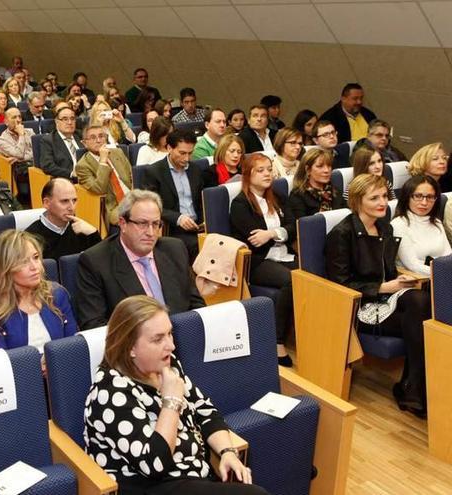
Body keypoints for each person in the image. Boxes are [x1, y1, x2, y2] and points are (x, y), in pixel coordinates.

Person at [84, 295, 267, 495]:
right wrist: (171, 401)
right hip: (151, 486)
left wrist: (227, 452)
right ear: (130, 348)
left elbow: (205, 411)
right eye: (158, 339)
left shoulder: (168, 365)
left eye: (170, 334)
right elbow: (155, 464)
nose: (170, 345)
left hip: (194, 477)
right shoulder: (109, 392)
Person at [326, 173, 430, 417]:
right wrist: (384, 288)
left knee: (421, 303)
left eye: (384, 196)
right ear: (357, 201)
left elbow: (387, 270)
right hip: (358, 305)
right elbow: (340, 283)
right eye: (374, 198)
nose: (383, 202)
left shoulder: (385, 225)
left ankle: (412, 386)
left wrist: (398, 280)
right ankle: (413, 387)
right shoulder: (342, 234)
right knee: (421, 314)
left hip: (386, 297)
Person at [76, 190, 204, 329]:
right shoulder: (95, 262)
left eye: (155, 224)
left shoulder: (174, 249)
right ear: (123, 223)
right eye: (142, 224)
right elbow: (95, 326)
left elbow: (196, 305)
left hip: (182, 337)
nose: (150, 233)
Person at [230, 154, 297, 366]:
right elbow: (255, 241)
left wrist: (271, 234)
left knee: (315, 273)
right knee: (291, 280)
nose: (267, 173)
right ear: (248, 175)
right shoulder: (241, 204)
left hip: (283, 253)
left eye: (269, 169)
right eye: (260, 170)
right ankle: (276, 341)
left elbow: (294, 228)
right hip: (258, 261)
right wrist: (278, 234)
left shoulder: (278, 197)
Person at [0, 229, 76, 352]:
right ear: (6, 268)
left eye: (36, 257)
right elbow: (1, 362)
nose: (35, 267)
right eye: (23, 262)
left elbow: (74, 346)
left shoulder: (57, 294)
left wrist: (52, 362)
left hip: (62, 367)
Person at [141, 130, 203, 260]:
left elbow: (203, 201)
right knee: (199, 246)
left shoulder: (195, 170)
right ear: (169, 148)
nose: (187, 158)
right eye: (182, 153)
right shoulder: (153, 172)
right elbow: (150, 207)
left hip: (198, 227)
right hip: (172, 228)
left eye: (190, 153)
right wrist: (178, 218)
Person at [25, 178, 101, 260]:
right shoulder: (29, 238)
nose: (72, 207)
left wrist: (93, 234)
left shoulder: (82, 230)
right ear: (47, 203)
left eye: (74, 200)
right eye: (64, 201)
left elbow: (102, 264)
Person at [75, 125, 134, 227]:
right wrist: (103, 162)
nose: (98, 140)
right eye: (93, 137)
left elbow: (132, 177)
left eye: (101, 136)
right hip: (113, 208)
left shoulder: (117, 153)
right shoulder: (82, 166)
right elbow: (99, 189)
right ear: (84, 143)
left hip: (132, 197)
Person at [391, 176, 450, 276]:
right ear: (407, 197)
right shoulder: (398, 225)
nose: (424, 203)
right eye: (418, 196)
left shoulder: (436, 222)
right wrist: (444, 273)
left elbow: (448, 256)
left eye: (430, 197)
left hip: (443, 278)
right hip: (417, 282)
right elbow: (413, 266)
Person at [287, 148, 345, 221]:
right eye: (320, 166)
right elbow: (302, 227)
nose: (327, 170)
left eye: (329, 166)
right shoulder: (298, 196)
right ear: (308, 170)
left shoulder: (335, 191)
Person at [39, 105, 82, 178]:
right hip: (66, 180)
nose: (69, 122)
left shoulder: (81, 135)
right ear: (57, 122)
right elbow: (48, 166)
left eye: (72, 119)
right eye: (65, 119)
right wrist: (71, 174)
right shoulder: (48, 141)